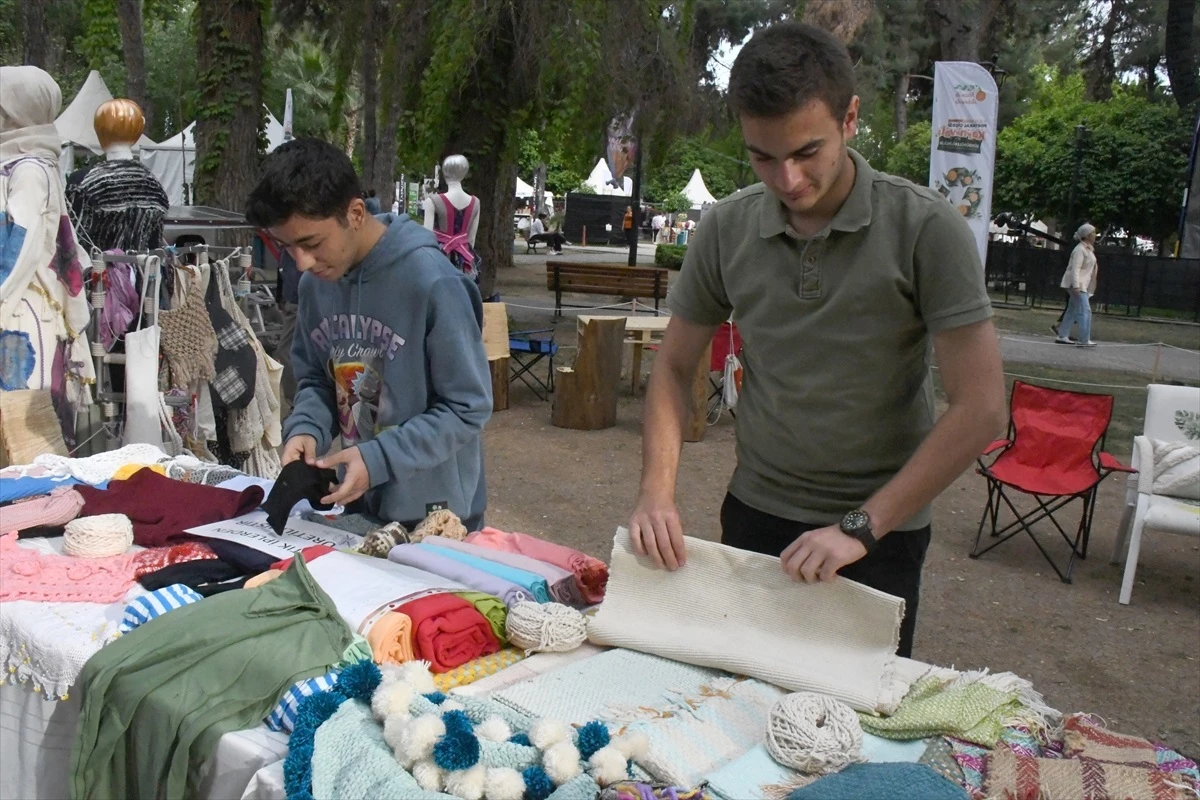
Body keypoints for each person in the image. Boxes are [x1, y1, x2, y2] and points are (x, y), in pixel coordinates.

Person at [626, 21, 1006, 659]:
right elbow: (672, 368)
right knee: (737, 702)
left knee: (851, 729)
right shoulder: (726, 228)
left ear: (851, 118)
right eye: (763, 156)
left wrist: (863, 526)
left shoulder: (924, 228)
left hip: (879, 530)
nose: (788, 179)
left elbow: (982, 407)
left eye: (807, 152)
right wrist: (656, 490)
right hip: (756, 511)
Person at [245, 137, 493, 530]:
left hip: (438, 518)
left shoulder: (433, 282)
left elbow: (468, 407)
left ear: (355, 213)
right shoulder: (315, 285)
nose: (302, 262)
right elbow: (315, 380)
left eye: (311, 243)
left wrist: (378, 458)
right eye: (287, 247)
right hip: (358, 508)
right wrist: (307, 428)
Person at [1054, 223, 1098, 347]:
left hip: (1082, 284)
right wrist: (1076, 286)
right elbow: (1075, 269)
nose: (1095, 235)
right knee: (1085, 311)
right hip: (1077, 284)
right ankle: (1084, 339)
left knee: (1072, 309)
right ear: (1087, 235)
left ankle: (1062, 335)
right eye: (1093, 233)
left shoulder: (1087, 249)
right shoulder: (1079, 249)